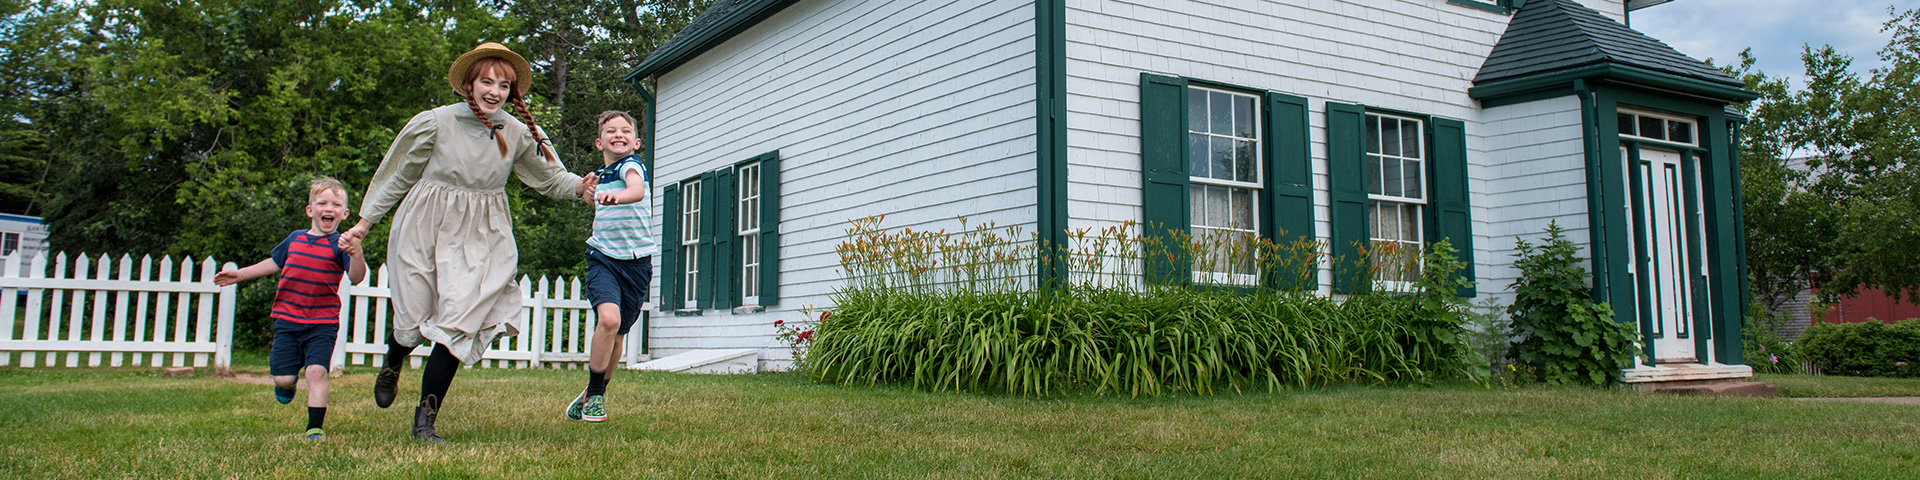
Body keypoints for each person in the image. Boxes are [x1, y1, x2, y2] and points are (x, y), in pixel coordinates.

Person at [341, 43, 595, 443]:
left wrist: (581, 187)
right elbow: (396, 175)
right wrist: (364, 223)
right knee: (411, 320)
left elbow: (550, 178)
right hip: (424, 223)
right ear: (468, 84)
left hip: (483, 231)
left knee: (458, 323)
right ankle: (393, 361)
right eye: (487, 81)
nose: (495, 91)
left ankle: (425, 419)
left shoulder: (518, 131)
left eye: (504, 84)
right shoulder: (435, 122)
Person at [214, 177, 369, 441]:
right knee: (283, 379)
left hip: (323, 322)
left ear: (344, 214)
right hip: (287, 320)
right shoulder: (294, 240)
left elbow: (357, 277)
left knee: (317, 372)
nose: (328, 208)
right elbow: (273, 263)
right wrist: (239, 275)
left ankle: (314, 428)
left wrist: (356, 254)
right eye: (322, 203)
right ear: (311, 210)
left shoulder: (340, 246)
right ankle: (289, 381)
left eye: (336, 204)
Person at [564, 111, 657, 423]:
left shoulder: (632, 165)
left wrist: (616, 197)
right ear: (598, 141)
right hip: (603, 257)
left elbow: (636, 191)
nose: (619, 135)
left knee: (618, 335)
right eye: (611, 131)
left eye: (626, 130)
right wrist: (592, 196)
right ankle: (595, 392)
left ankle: (596, 394)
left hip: (637, 263)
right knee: (608, 320)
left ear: (636, 141)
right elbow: (599, 206)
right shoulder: (602, 175)